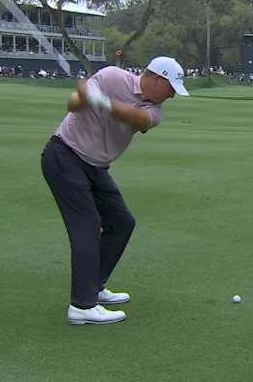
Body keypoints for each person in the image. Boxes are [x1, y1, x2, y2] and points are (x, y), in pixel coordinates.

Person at [41, 56, 189, 325]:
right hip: (65, 156)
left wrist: (104, 103)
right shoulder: (111, 77)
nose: (172, 96)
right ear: (157, 78)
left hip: (96, 167)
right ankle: (82, 306)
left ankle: (94, 286)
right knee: (87, 225)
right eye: (171, 89)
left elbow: (139, 119)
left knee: (121, 223)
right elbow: (72, 104)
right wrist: (85, 95)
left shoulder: (154, 111)